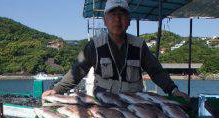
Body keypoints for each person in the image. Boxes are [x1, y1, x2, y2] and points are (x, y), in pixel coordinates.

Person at [42, 0, 189, 101]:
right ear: (105, 20)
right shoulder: (94, 46)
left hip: (135, 105)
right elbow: (77, 70)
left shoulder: (139, 45)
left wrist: (173, 90)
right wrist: (57, 89)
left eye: (122, 14)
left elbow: (156, 71)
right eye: (112, 14)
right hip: (103, 104)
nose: (117, 19)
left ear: (129, 20)